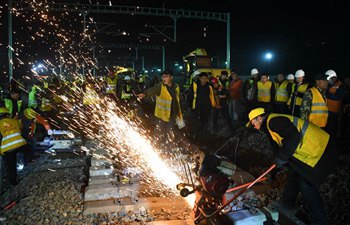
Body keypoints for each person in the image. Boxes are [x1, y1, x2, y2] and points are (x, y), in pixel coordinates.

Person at [248, 107, 338, 225]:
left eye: (253, 122)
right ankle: (287, 204)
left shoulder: (274, 121)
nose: (253, 126)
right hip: (313, 151)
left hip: (322, 149)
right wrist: (273, 173)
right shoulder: (269, 128)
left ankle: (319, 221)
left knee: (306, 184)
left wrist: (282, 158)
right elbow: (278, 153)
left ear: (259, 118)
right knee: (294, 174)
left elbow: (293, 137)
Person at [138, 69, 184, 139]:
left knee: (170, 135)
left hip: (171, 116)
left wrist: (178, 114)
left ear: (171, 77)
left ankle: (169, 148)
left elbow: (176, 101)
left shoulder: (176, 87)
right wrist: (145, 94)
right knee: (158, 134)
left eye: (166, 77)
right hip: (161, 116)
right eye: (163, 77)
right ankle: (156, 147)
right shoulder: (160, 87)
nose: (164, 78)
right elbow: (153, 90)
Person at [0, 107, 27, 186]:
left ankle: (13, 183)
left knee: (10, 166)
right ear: (7, 115)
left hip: (7, 149)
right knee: (28, 149)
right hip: (20, 144)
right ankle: (26, 163)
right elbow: (20, 130)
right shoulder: (14, 121)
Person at [325, 70, 344, 137]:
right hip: (327, 111)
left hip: (334, 112)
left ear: (334, 78)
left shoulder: (340, 86)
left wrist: (329, 92)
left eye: (329, 79)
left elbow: (339, 96)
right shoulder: (329, 85)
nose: (328, 81)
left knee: (332, 129)